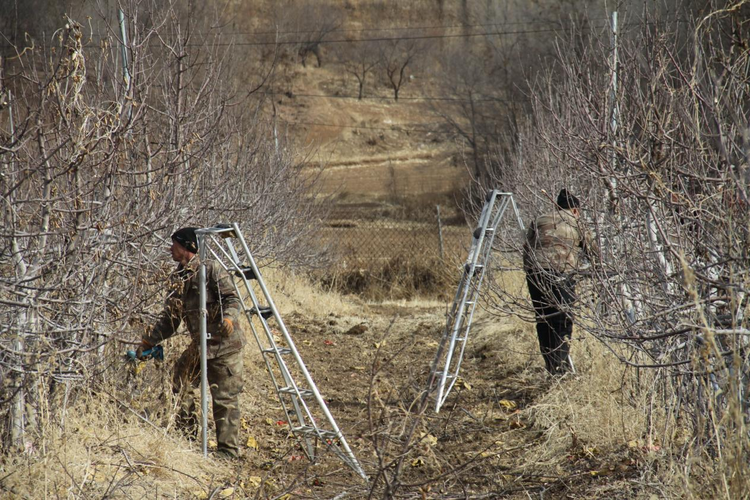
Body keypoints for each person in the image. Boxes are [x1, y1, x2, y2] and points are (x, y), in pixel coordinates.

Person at [136, 227, 246, 458]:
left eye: (174, 244)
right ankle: (186, 436)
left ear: (187, 247)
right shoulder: (178, 278)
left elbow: (233, 298)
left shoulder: (212, 269)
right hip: (200, 345)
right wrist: (149, 341)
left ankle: (227, 452)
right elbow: (171, 318)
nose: (170, 249)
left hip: (225, 346)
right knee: (179, 381)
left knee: (224, 398)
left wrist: (229, 318)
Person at [523, 189, 598, 375]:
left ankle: (551, 365)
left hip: (536, 273)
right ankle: (560, 369)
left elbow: (527, 248)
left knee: (544, 319)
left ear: (556, 206)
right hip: (562, 273)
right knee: (562, 320)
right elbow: (594, 252)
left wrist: (531, 271)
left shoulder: (539, 220)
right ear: (575, 210)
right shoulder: (576, 222)